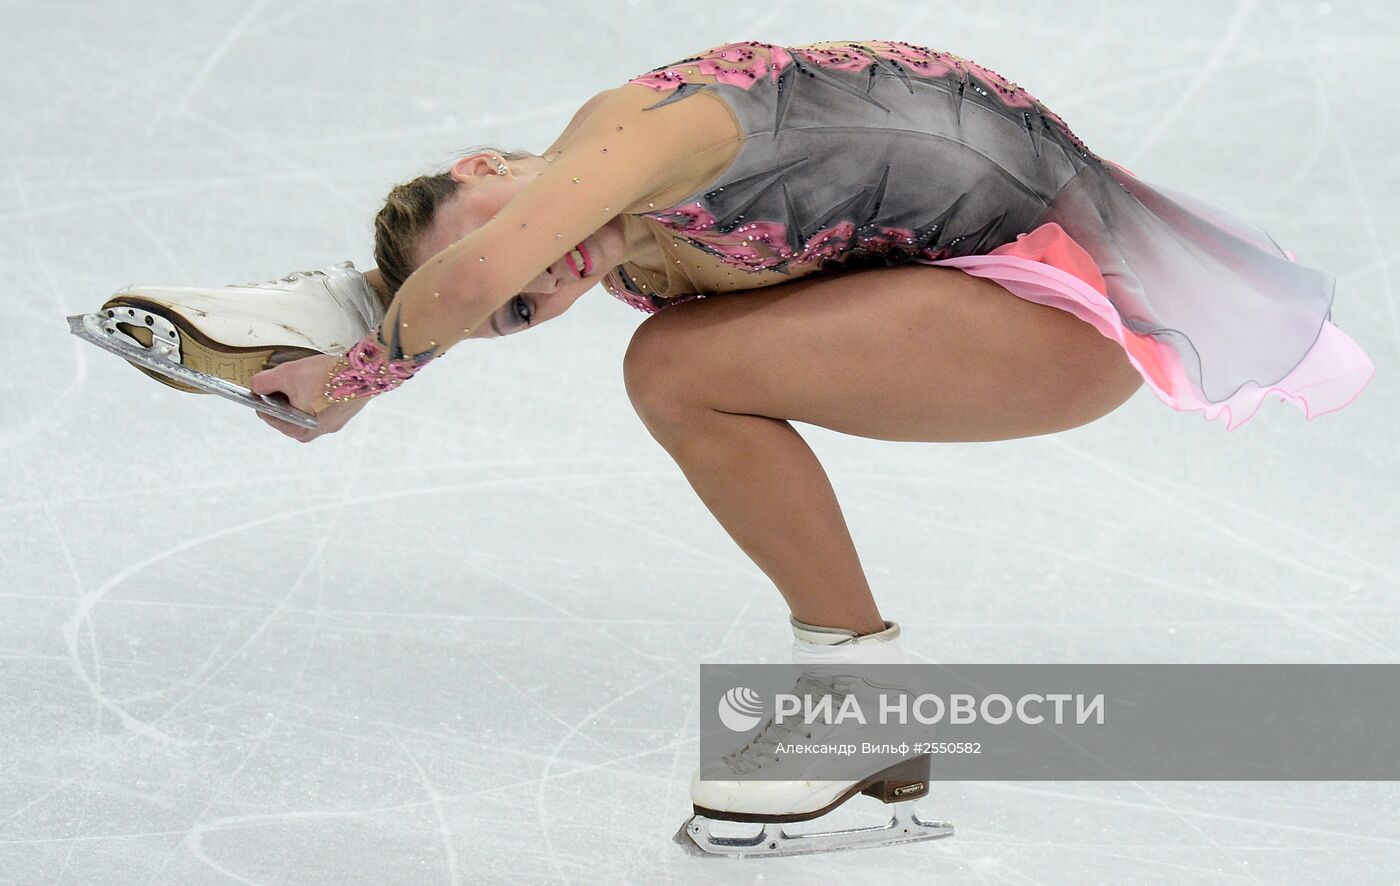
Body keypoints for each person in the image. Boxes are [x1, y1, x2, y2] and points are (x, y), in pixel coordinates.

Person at [93, 39, 1375, 856]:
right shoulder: (631, 252)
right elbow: (495, 264)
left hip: (1064, 312)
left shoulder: (632, 136)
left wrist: (366, 375)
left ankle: (862, 699)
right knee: (676, 358)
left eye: (506, 251)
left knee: (677, 365)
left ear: (490, 164)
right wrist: (405, 317)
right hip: (1001, 298)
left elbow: (495, 255)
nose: (539, 281)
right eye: (520, 312)